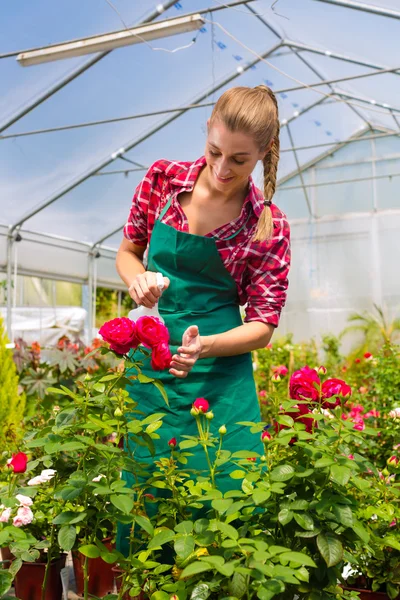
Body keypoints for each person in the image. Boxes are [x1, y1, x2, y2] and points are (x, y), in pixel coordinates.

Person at [115, 85, 290, 554]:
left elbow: (263, 325)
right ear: (206, 132)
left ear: (264, 154)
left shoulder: (266, 225)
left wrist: (205, 345)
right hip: (150, 362)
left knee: (225, 500)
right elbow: (128, 252)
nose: (221, 169)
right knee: (145, 496)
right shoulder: (161, 181)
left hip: (218, 371)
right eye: (214, 151)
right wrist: (138, 281)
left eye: (239, 160)